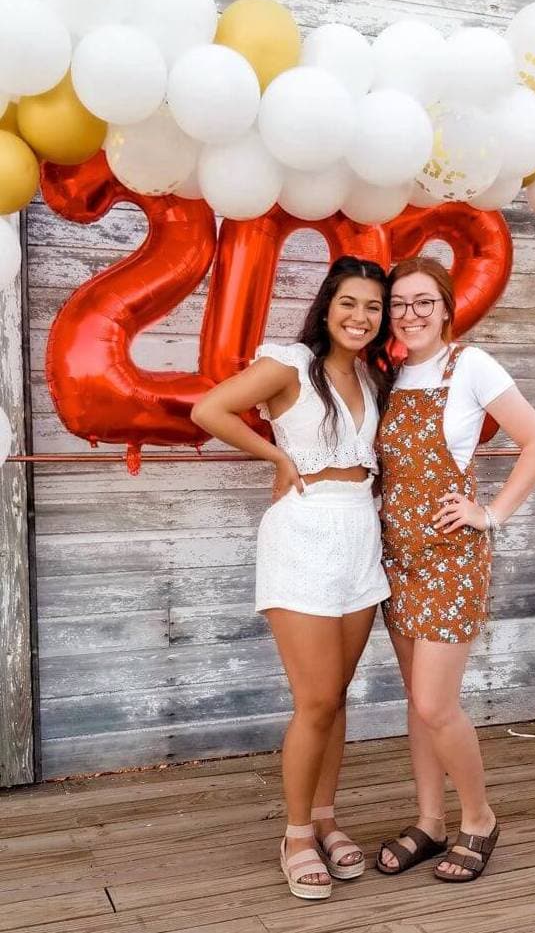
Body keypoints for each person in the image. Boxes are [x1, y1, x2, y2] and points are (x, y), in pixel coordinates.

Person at [191, 256, 392, 902]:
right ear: (327, 306)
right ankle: (297, 833)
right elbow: (211, 408)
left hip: (360, 532)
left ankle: (327, 817)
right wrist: (276, 454)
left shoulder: (368, 374)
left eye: (373, 307)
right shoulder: (291, 364)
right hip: (304, 532)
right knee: (314, 699)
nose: (361, 317)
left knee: (336, 695)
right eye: (350, 303)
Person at [375, 257, 535, 884]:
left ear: (447, 308)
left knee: (435, 701)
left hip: (451, 557)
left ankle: (477, 818)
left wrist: (491, 513)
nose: (411, 315)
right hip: (396, 555)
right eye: (399, 304)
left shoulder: (470, 365)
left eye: (424, 302)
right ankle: (429, 821)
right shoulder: (391, 374)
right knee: (416, 703)